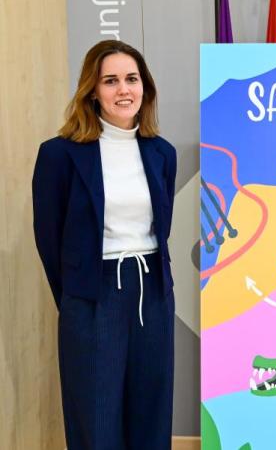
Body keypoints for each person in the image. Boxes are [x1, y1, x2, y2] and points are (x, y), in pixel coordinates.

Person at [32, 40, 177, 449]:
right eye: (110, 81)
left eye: (132, 79)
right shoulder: (59, 155)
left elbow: (161, 227)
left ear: (145, 87)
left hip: (153, 292)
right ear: (92, 91)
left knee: (152, 412)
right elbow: (49, 239)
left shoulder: (162, 153)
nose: (123, 90)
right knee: (96, 416)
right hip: (93, 294)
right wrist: (77, 298)